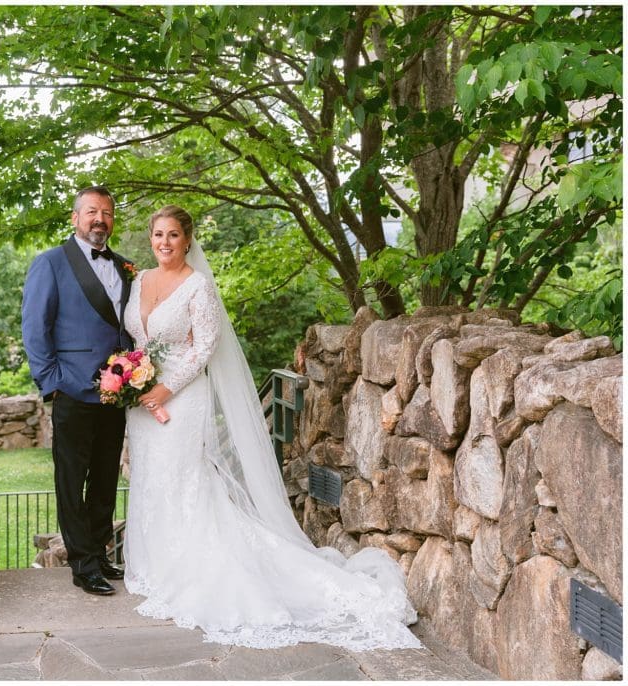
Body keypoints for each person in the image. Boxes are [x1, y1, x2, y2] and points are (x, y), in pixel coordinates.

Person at [122, 205, 421, 650]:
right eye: (158, 235)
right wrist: (133, 378)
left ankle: (194, 569)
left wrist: (165, 389)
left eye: (173, 235)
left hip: (181, 400)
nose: (164, 243)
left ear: (188, 240)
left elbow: (205, 346)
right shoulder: (140, 280)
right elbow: (137, 339)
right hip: (141, 403)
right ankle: (155, 566)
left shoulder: (197, 286)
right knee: (151, 481)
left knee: (184, 481)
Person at [21, 186, 134, 596]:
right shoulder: (49, 264)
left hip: (118, 392)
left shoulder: (125, 266)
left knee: (105, 479)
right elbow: (35, 328)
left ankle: (100, 552)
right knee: (72, 481)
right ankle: (82, 563)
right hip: (71, 390)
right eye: (91, 211)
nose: (99, 219)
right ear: (75, 218)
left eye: (106, 212)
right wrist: (51, 384)